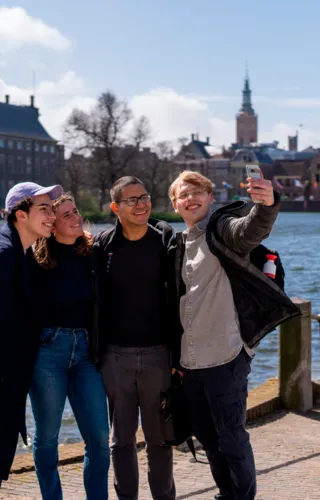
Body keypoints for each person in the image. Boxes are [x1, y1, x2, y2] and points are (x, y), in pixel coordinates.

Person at [169, 171, 299, 500]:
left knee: (231, 437)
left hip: (225, 354)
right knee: (207, 437)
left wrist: (267, 204)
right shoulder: (178, 244)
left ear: (211, 198)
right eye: (183, 194)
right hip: (191, 360)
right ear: (175, 205)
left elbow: (249, 231)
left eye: (198, 191)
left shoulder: (221, 229)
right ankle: (226, 494)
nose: (191, 198)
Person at [91, 176, 177, 500]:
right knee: (121, 441)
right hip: (116, 357)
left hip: (158, 355)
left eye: (144, 197)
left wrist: (179, 358)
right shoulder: (103, 247)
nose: (141, 205)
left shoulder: (166, 244)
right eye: (132, 200)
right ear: (115, 207)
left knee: (159, 440)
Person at [29, 194, 110, 500]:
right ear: (52, 223)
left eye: (75, 211)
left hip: (88, 353)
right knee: (48, 438)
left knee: (100, 438)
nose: (75, 217)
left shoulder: (94, 253)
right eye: (66, 215)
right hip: (48, 352)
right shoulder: (35, 261)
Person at [0, 181, 62, 486]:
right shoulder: (4, 253)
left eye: (52, 208)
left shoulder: (22, 254)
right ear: (19, 214)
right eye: (43, 208)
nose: (52, 215)